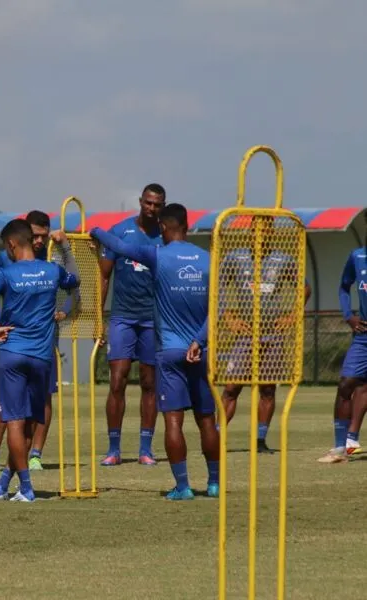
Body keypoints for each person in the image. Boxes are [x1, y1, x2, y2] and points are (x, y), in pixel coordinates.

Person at [91, 203, 219, 500]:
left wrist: (95, 231)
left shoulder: (158, 254)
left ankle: (183, 487)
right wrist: (199, 342)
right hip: (199, 351)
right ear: (187, 226)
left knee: (174, 421)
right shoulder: (208, 259)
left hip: (170, 352)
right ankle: (213, 484)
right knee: (207, 420)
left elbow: (119, 245)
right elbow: (217, 309)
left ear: (162, 227)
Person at [0, 219, 79, 501]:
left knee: (15, 423)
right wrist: (67, 249)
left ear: (11, 244)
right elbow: (75, 281)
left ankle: (26, 487)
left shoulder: (7, 273)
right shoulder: (52, 270)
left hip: (13, 355)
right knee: (33, 421)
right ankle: (4, 482)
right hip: (42, 357)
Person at [218, 230, 311, 453]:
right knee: (232, 388)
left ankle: (260, 440)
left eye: (265, 231)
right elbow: (218, 286)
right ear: (249, 234)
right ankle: (216, 435)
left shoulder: (284, 259)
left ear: (271, 234)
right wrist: (228, 316)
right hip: (245, 334)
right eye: (255, 231)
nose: (259, 236)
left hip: (272, 334)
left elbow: (304, 287)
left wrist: (292, 315)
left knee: (267, 389)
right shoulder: (234, 257)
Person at [98, 184, 165, 467]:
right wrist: (97, 318)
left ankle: (145, 449)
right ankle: (114, 449)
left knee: (150, 383)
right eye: (148, 203)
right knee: (118, 380)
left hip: (153, 319)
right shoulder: (120, 231)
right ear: (140, 202)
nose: (151, 208)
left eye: (157, 204)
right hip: (122, 316)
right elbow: (103, 277)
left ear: (162, 206)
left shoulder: (165, 236)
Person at [318, 240, 367, 463]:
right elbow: (343, 286)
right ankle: (341, 447)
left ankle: (351, 440)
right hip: (363, 335)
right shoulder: (357, 256)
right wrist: (349, 316)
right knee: (347, 383)